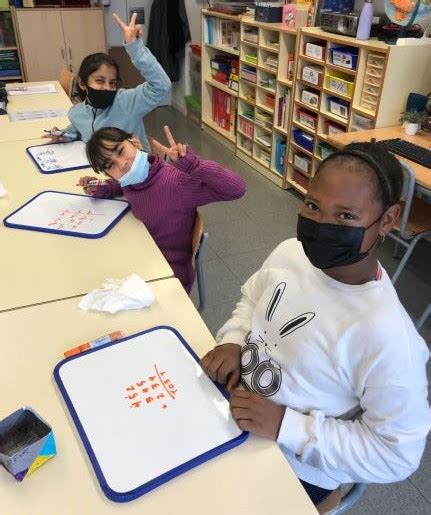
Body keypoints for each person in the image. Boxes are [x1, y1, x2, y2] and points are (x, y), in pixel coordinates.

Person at [200, 142, 430, 506]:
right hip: (234, 403)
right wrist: (233, 339)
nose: (322, 225)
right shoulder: (292, 252)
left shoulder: (388, 337)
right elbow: (252, 301)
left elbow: (396, 455)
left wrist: (285, 425)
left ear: (387, 220)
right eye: (313, 206)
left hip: (297, 463)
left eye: (346, 217)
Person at [78, 126, 246, 293]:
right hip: (141, 255)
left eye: (121, 151)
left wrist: (195, 166)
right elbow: (127, 188)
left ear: (135, 141)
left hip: (168, 275)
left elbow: (236, 189)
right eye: (110, 165)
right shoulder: (133, 180)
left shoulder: (176, 182)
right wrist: (101, 187)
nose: (122, 164)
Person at [44, 12, 170, 148]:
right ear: (82, 83)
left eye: (112, 83)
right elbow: (81, 129)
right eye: (99, 81)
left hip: (133, 167)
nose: (107, 87)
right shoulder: (76, 113)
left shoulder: (127, 102)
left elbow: (161, 86)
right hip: (98, 166)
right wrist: (64, 135)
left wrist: (134, 47)